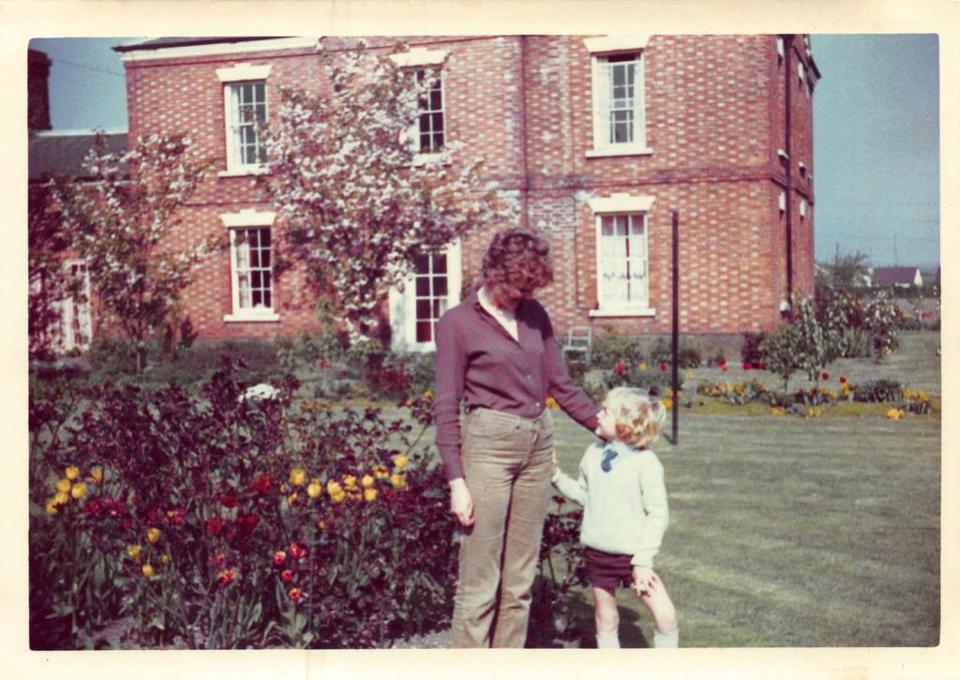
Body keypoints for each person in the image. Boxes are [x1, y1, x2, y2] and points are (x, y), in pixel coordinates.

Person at [433, 227, 601, 648]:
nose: (519, 296)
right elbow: (446, 405)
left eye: (528, 288)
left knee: (520, 583)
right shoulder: (457, 323)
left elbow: (560, 384)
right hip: (487, 449)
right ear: (493, 272)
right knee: (479, 582)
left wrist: (604, 426)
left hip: (537, 448)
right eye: (514, 286)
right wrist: (457, 482)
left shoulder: (534, 315)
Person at [552, 386, 679, 648]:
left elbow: (658, 515)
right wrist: (555, 477)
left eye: (606, 412)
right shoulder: (593, 453)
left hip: (634, 558)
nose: (597, 415)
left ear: (625, 424)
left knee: (665, 616)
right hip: (598, 554)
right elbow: (586, 496)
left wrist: (643, 562)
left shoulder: (646, 463)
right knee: (605, 618)